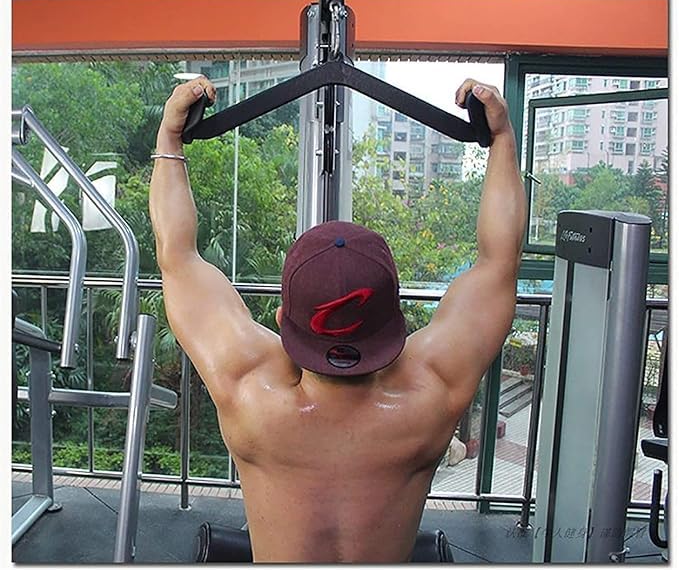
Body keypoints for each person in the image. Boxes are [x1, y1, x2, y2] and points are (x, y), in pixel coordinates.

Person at [149, 76, 527, 563]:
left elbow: (177, 256)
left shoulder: (246, 391)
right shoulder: (433, 395)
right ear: (394, 324)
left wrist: (170, 137)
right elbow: (499, 262)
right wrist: (501, 139)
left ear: (283, 319)